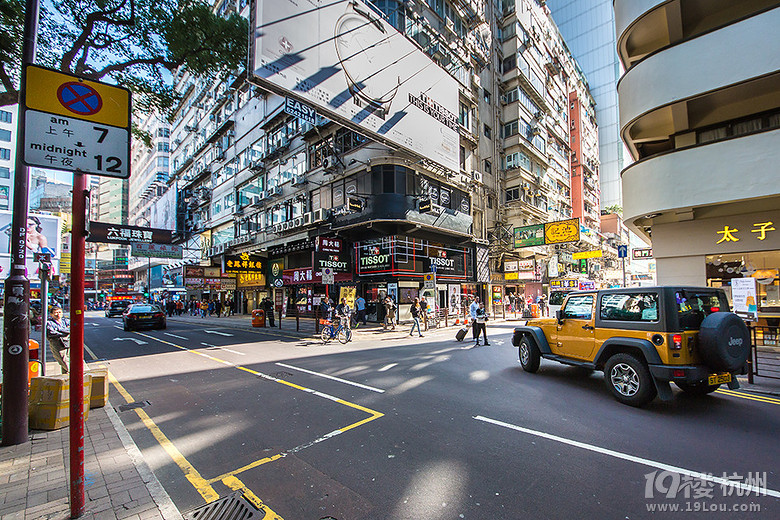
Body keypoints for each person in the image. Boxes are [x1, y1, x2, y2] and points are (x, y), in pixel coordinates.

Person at [46, 306, 70, 374]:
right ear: (51, 314)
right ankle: (72, 372)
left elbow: (71, 329)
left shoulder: (66, 321)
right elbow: (51, 333)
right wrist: (64, 331)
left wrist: (59, 330)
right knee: (63, 360)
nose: (58, 314)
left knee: (67, 358)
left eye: (59, 312)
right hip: (57, 343)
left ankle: (66, 376)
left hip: (67, 342)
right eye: (55, 313)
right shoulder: (49, 323)